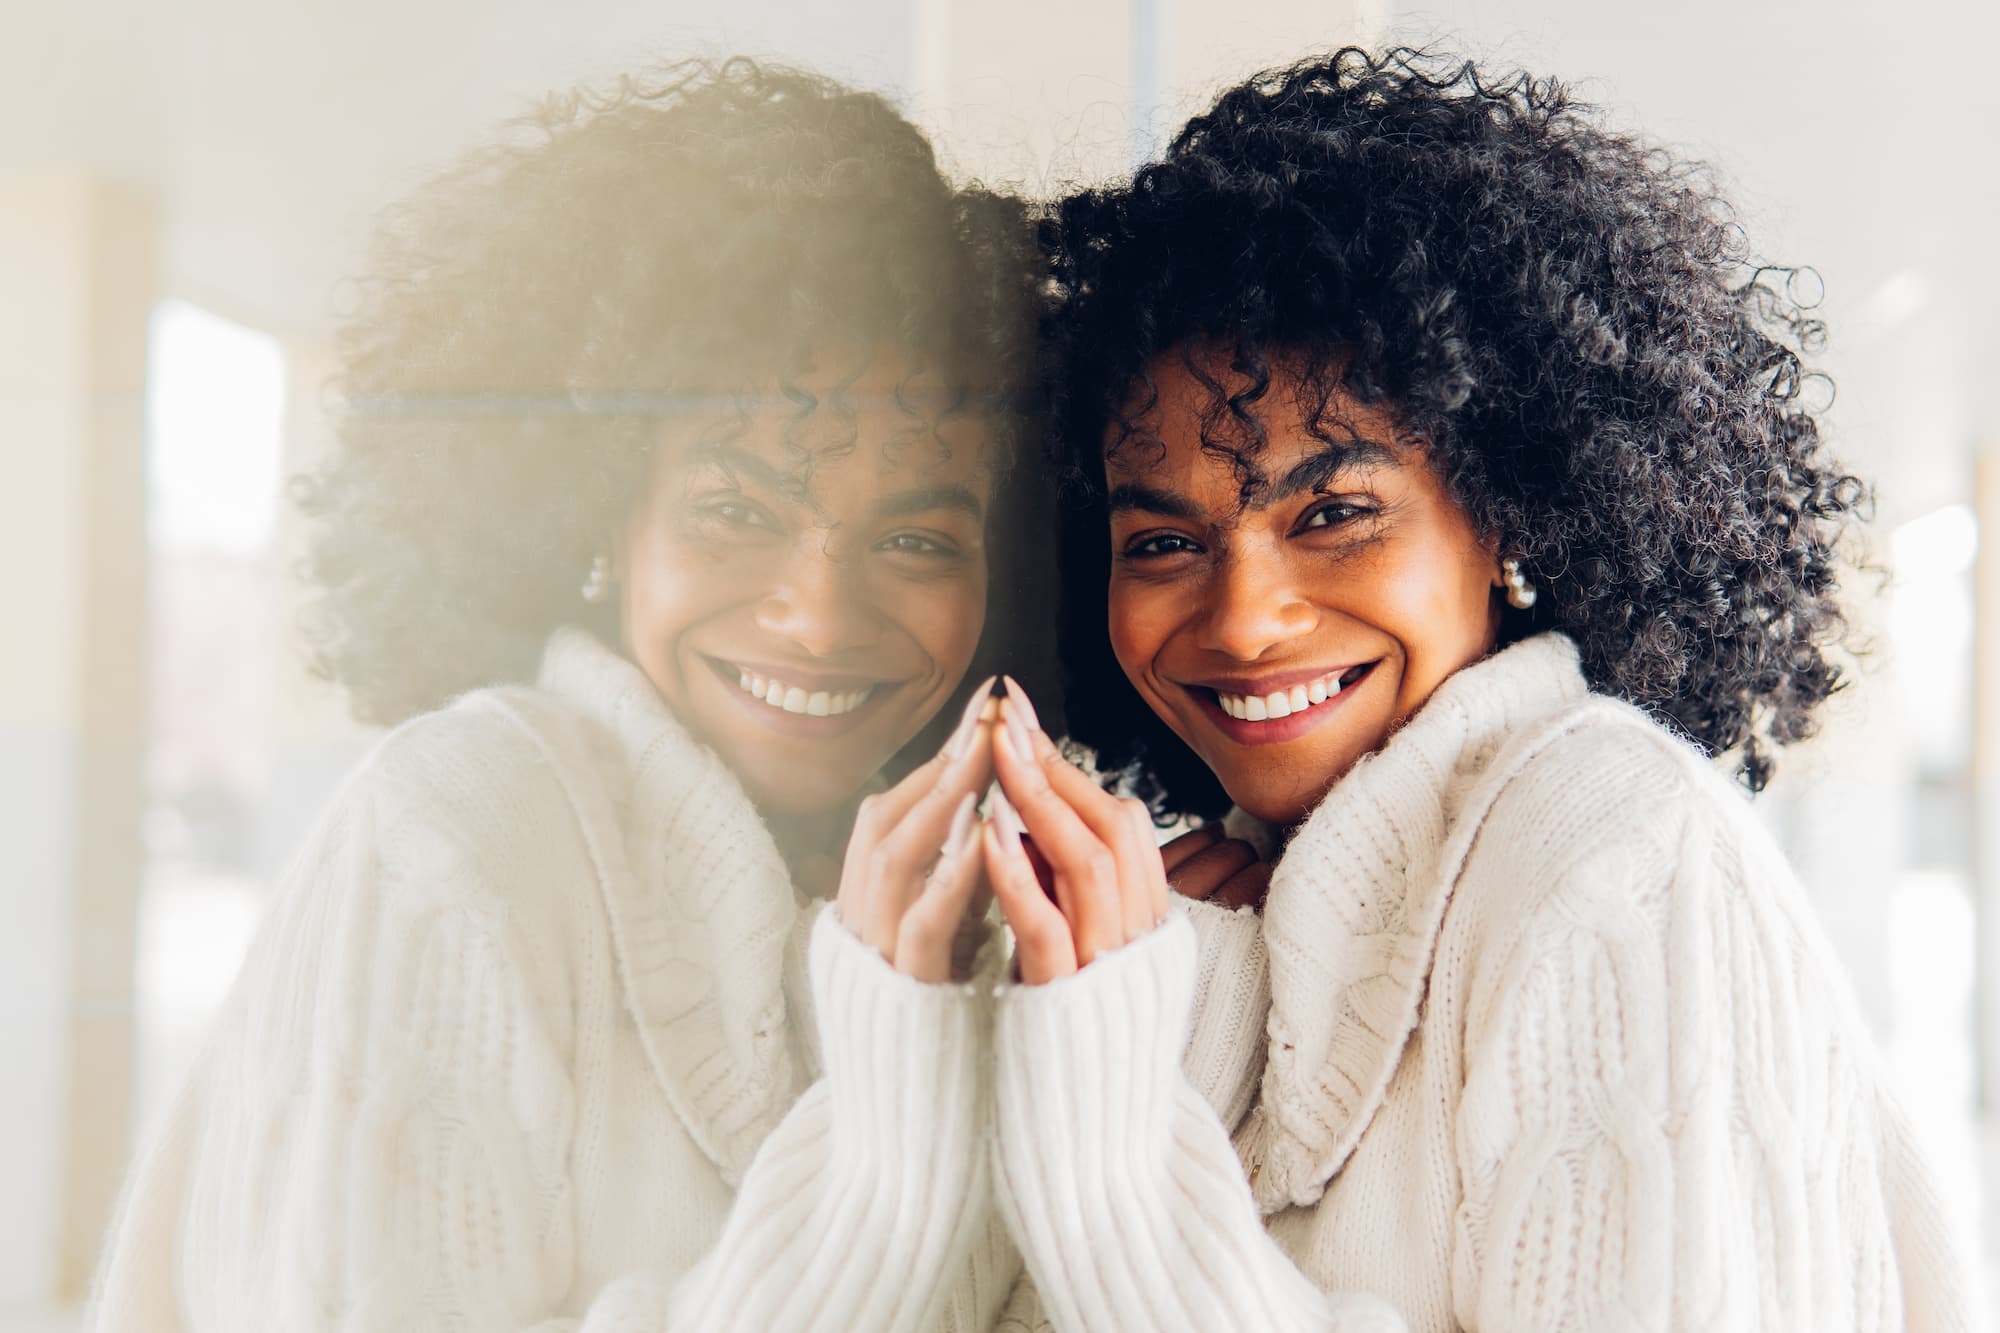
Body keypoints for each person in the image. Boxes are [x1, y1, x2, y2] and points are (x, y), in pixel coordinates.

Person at [974, 47, 1977, 1332]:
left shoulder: (1610, 852)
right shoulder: (1217, 910)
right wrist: (1165, 1030)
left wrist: (1111, 1155)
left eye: (1334, 512)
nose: (1242, 616)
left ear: (1508, 515)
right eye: (1161, 541)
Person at [87, 58, 1047, 1331]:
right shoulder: (457, 827)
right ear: (599, 515)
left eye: (916, 540)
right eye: (731, 511)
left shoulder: (985, 896)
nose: (816, 616)